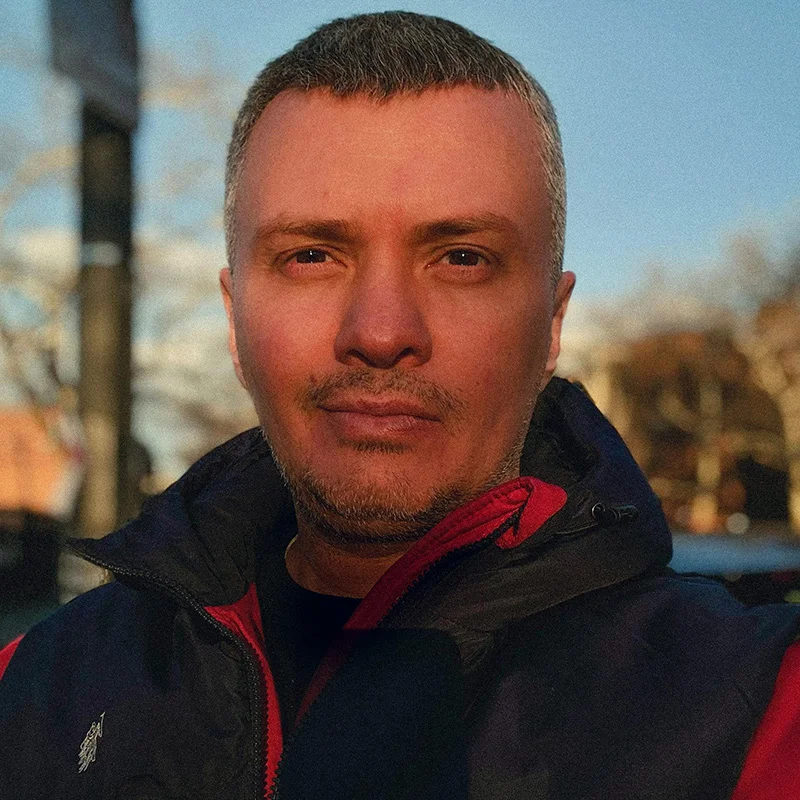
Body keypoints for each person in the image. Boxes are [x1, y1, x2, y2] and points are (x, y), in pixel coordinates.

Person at [1, 11, 799, 799]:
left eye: (462, 257)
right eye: (312, 255)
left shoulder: (754, 709)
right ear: (235, 321)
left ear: (551, 327)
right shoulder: (32, 689)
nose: (381, 332)